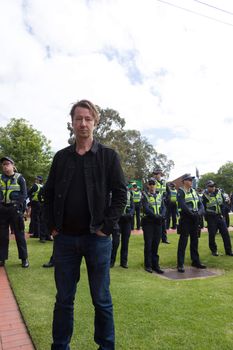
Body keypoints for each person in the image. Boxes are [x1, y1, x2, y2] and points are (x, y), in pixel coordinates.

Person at [44, 99, 127, 350]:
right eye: (78, 119)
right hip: (66, 240)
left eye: (88, 119)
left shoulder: (108, 157)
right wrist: (51, 226)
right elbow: (48, 194)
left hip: (97, 239)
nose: (83, 123)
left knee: (101, 299)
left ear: (95, 123)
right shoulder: (61, 158)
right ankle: (60, 346)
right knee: (64, 300)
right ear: (72, 123)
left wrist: (106, 228)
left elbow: (121, 194)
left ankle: (106, 347)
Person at [0, 156, 29, 268]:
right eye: (3, 164)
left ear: (13, 165)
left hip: (15, 210)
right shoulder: (0, 178)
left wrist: (18, 206)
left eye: (7, 164)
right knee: (2, 236)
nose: (5, 166)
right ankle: (2, 259)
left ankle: (24, 259)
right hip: (2, 209)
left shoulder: (20, 178)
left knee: (19, 235)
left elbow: (24, 194)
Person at [177, 173, 206, 273]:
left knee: (195, 241)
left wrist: (199, 213)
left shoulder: (194, 191)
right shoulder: (181, 191)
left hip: (195, 219)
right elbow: (182, 205)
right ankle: (180, 264)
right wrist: (192, 214)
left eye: (191, 180)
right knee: (183, 242)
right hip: (186, 219)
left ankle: (195, 261)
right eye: (189, 180)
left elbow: (201, 204)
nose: (191, 181)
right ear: (184, 181)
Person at [141, 178, 166, 274]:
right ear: (148, 185)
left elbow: (164, 207)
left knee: (156, 244)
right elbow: (146, 208)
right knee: (148, 244)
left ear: (156, 185)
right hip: (148, 222)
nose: (152, 186)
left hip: (158, 222)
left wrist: (162, 215)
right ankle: (148, 265)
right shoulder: (145, 195)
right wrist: (155, 216)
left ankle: (156, 265)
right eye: (150, 184)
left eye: (153, 184)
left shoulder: (160, 195)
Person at [202, 180, 233, 257]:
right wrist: (207, 218)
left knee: (225, 234)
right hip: (211, 218)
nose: (212, 187)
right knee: (212, 235)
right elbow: (203, 208)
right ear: (207, 187)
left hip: (220, 216)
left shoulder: (219, 193)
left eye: (213, 186)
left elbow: (223, 203)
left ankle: (228, 251)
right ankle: (214, 251)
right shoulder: (204, 195)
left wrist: (223, 214)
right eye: (210, 186)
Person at [110, 187, 134, 268]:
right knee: (115, 242)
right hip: (117, 221)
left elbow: (132, 207)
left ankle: (124, 262)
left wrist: (129, 214)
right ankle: (111, 262)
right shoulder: (114, 194)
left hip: (127, 221)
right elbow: (112, 206)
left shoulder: (130, 195)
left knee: (125, 242)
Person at [152, 168, 170, 243]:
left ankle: (164, 238)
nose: (157, 175)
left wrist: (167, 199)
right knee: (155, 221)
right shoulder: (152, 182)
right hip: (155, 204)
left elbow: (169, 192)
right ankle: (156, 238)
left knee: (163, 221)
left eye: (158, 174)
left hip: (163, 205)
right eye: (155, 174)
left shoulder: (164, 182)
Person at [28, 175, 43, 239]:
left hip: (35, 203)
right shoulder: (42, 186)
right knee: (39, 219)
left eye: (37, 179)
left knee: (35, 219)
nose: (35, 180)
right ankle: (39, 233)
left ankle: (36, 234)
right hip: (41, 204)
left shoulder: (35, 186)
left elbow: (29, 192)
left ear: (38, 180)